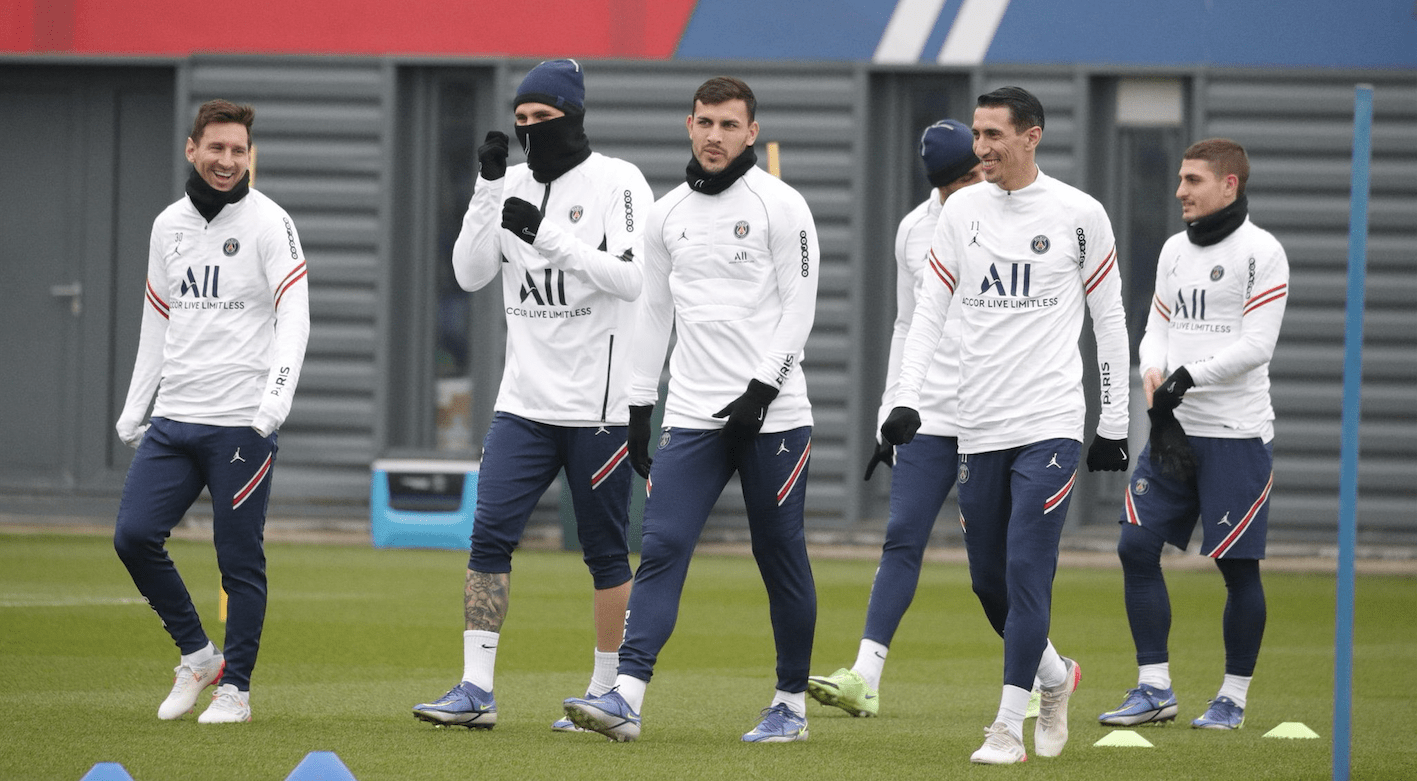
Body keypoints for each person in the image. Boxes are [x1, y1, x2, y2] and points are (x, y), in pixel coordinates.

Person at [563, 76, 820, 743]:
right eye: (704, 122)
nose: (714, 135)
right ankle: (625, 696)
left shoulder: (781, 204)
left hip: (774, 418)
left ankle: (790, 704)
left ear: (751, 133)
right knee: (663, 545)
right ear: (688, 124)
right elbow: (651, 312)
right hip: (694, 418)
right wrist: (639, 404)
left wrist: (760, 390)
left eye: (728, 125)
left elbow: (799, 307)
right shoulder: (665, 212)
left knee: (778, 553)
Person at [881, 86, 1130, 764]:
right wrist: (905, 401)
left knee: (1024, 569)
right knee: (987, 582)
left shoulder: (1079, 213)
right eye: (976, 135)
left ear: (1031, 136)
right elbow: (926, 313)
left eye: (993, 135)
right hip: (975, 423)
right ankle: (1054, 679)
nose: (981, 149)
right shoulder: (959, 211)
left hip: (1049, 421)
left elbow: (1109, 320)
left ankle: (1003, 728)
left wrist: (1112, 421)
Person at [412, 59, 653, 732]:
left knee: (604, 551)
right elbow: (466, 272)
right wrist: (487, 190)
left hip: (598, 407)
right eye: (520, 123)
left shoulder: (617, 180)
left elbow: (632, 279)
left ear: (572, 117)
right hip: (522, 400)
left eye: (542, 120)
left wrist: (549, 236)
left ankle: (606, 696)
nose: (529, 133)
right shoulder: (510, 180)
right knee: (488, 535)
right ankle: (474, 688)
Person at [113, 99, 311, 724]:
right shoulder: (166, 225)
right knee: (134, 537)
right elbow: (156, 320)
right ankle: (199, 656)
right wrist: (135, 404)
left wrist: (274, 403)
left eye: (239, 151)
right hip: (174, 420)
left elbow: (295, 317)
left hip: (242, 423)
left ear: (250, 156)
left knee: (237, 557)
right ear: (192, 149)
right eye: (217, 148)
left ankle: (237, 691)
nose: (228, 161)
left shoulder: (270, 223)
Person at [1098, 138, 1288, 731]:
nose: (1179, 190)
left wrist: (1187, 376)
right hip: (1174, 431)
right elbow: (1156, 325)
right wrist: (1152, 369)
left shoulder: (1263, 251)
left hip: (1236, 434)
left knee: (1237, 569)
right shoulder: (1174, 250)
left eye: (1193, 180)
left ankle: (1232, 697)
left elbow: (1258, 345)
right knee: (1135, 546)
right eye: (1180, 179)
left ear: (1229, 185)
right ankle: (1154, 688)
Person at [806, 119, 983, 718]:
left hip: (997, 413)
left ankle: (1048, 673)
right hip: (930, 411)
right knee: (902, 537)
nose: (971, 184)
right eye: (957, 180)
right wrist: (891, 408)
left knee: (995, 559)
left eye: (974, 173)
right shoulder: (914, 228)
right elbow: (907, 325)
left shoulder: (1011, 218)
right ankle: (865, 676)